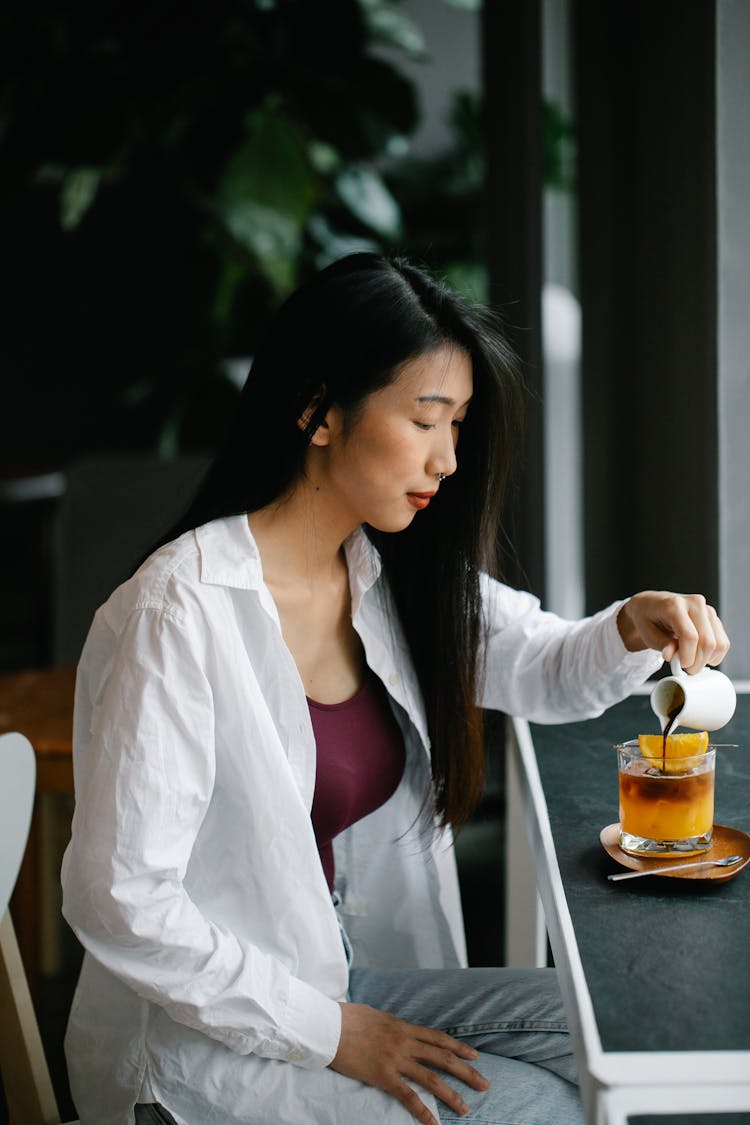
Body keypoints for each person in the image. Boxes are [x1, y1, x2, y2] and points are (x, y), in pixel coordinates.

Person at [61, 253, 729, 1125]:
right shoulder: (181, 611)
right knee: (543, 1108)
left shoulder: (381, 571)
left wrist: (634, 624)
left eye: (458, 426)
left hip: (340, 977)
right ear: (318, 411)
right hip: (198, 1051)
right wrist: (332, 1032)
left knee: (628, 1043)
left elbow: (542, 663)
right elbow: (122, 900)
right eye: (425, 421)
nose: (449, 459)